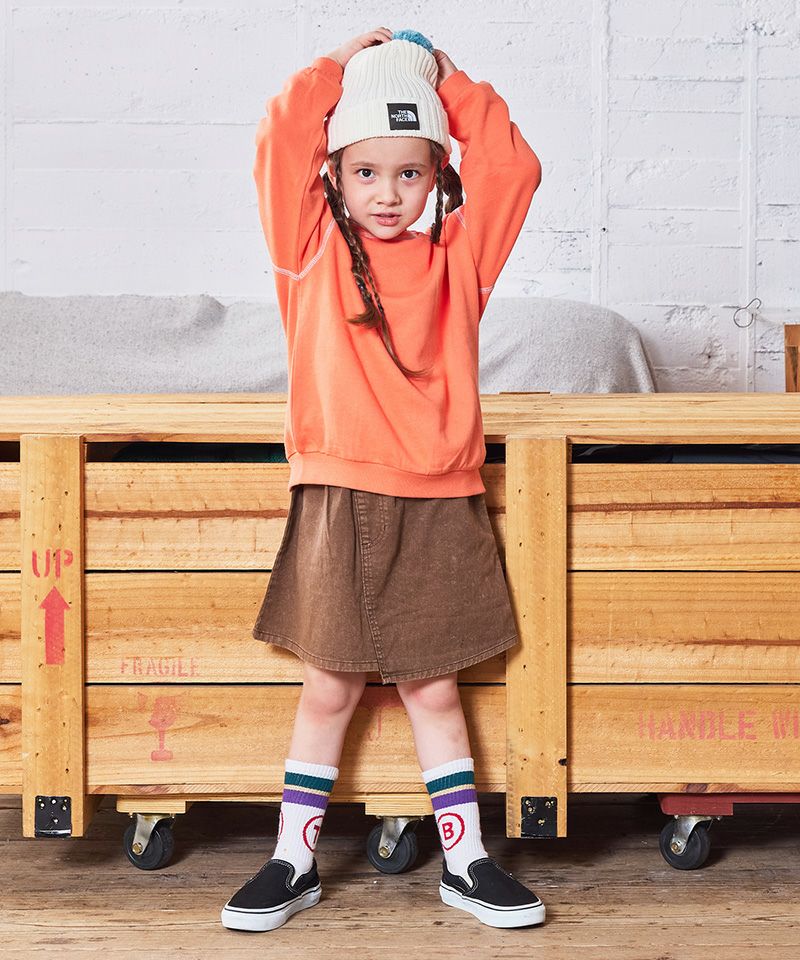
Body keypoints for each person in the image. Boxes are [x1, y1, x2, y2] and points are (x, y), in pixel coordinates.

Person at [221, 27, 544, 933]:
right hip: (336, 495)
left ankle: (466, 861)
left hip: (440, 497)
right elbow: (281, 138)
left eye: (410, 172)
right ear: (335, 175)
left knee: (433, 689)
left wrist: (449, 78)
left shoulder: (457, 260)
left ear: (438, 175)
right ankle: (292, 859)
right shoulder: (309, 250)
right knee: (327, 685)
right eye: (365, 172)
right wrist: (335, 65)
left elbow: (515, 168)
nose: (388, 193)